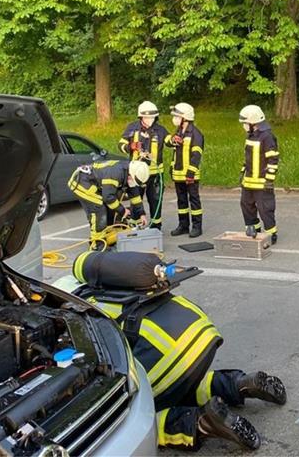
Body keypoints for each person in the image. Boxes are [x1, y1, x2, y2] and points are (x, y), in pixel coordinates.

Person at [71, 250, 287, 451]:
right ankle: (239, 384)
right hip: (200, 332)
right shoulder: (114, 283)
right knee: (181, 385)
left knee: (131, 416)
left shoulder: (76, 311)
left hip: (169, 353)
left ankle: (201, 423)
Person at [67, 159, 150, 249]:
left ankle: (107, 236)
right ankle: (97, 244)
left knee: (111, 206)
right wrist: (122, 210)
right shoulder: (115, 174)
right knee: (98, 209)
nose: (133, 182)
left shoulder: (128, 172)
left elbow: (135, 196)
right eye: (133, 180)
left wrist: (141, 214)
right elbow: (108, 197)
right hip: (81, 182)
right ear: (131, 174)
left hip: (92, 182)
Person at [118, 101, 169, 229]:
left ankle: (156, 227)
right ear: (140, 117)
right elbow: (121, 145)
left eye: (152, 117)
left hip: (155, 174)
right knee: (136, 200)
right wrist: (131, 146)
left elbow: (169, 140)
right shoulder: (132, 128)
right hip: (136, 174)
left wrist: (174, 140)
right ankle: (136, 227)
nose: (149, 120)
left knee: (156, 201)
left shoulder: (160, 130)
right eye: (146, 117)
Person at [238, 105, 280, 244]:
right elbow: (248, 157)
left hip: (262, 182)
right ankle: (254, 230)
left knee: (265, 208)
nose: (244, 125)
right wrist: (243, 172)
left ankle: (271, 234)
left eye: (245, 122)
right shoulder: (251, 135)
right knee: (246, 205)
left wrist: (269, 179)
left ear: (253, 121)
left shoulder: (267, 136)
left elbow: (273, 159)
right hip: (249, 181)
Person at [165, 102, 205, 238]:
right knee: (181, 201)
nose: (174, 119)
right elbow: (169, 144)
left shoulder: (196, 134)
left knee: (194, 200)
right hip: (178, 174)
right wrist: (172, 139)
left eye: (177, 116)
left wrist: (190, 173)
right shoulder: (178, 132)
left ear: (185, 117)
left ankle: (197, 227)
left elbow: (196, 155)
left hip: (190, 175)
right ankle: (183, 225)